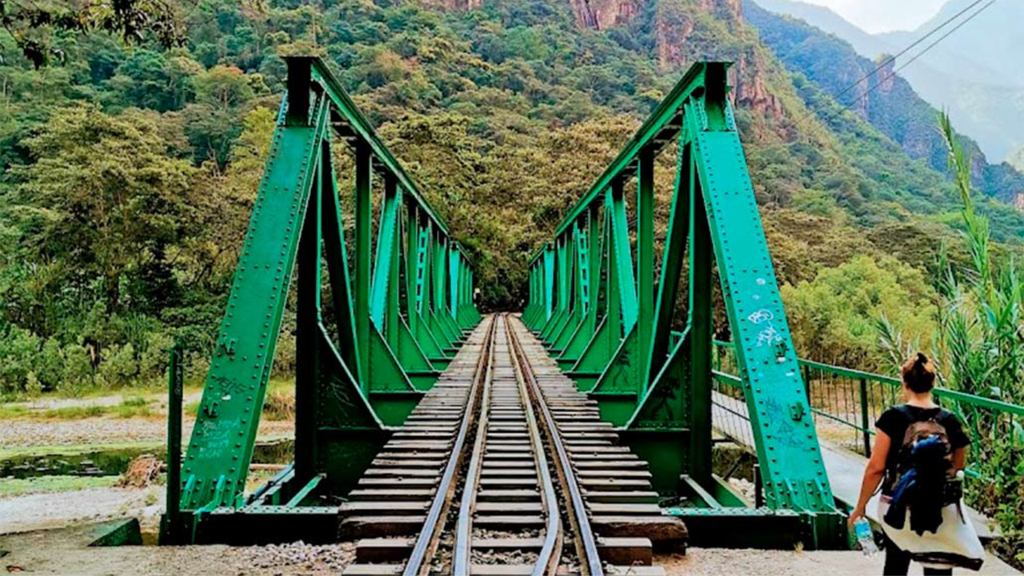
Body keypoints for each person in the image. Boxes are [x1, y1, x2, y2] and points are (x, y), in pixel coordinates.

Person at [849, 353, 971, 575]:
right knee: (938, 569)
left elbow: (876, 468)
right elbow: (958, 466)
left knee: (895, 566)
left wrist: (860, 507)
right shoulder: (949, 420)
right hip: (939, 504)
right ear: (933, 384)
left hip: (897, 503)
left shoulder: (892, 417)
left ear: (904, 383)